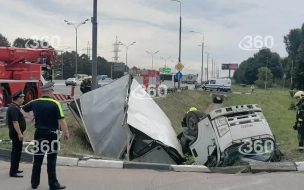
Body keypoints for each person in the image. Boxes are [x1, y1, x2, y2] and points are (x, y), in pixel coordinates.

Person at [21, 81, 69, 190]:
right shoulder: (55, 103)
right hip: (52, 135)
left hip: (39, 134)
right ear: (49, 91)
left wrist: (31, 117)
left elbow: (22, 110)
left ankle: (34, 183)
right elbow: (61, 120)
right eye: (52, 90)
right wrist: (66, 132)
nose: (53, 92)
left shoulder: (35, 102)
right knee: (51, 160)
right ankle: (53, 184)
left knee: (37, 158)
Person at [6, 89, 27, 178]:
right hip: (15, 133)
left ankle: (15, 168)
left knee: (17, 151)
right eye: (22, 98)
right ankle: (13, 171)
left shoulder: (15, 107)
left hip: (16, 133)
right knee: (16, 152)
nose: (23, 100)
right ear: (18, 98)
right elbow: (15, 122)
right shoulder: (13, 108)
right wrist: (19, 133)